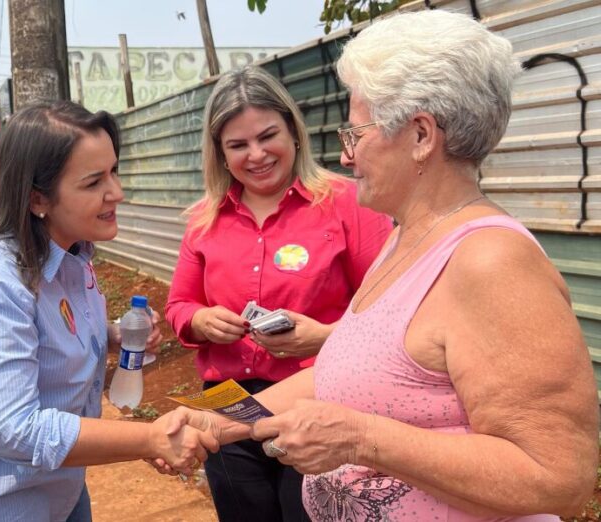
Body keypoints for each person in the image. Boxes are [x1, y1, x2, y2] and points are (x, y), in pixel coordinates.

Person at [166, 10, 599, 521]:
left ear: (420, 136)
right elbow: (341, 373)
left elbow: (557, 476)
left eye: (355, 134)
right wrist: (219, 420)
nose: (346, 158)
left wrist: (361, 439)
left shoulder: (491, 262)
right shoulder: (405, 241)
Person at [0, 101, 218, 522]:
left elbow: (46, 332)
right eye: (93, 182)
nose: (117, 192)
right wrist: (147, 439)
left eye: (114, 171)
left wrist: (110, 336)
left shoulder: (75, 257)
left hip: (58, 491)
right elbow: (13, 428)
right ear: (38, 199)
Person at [165, 66, 392, 521]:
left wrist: (324, 336)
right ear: (219, 154)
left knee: (306, 512)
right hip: (226, 400)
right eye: (237, 145)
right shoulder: (203, 221)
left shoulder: (347, 203)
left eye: (268, 135)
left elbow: (389, 313)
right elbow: (178, 307)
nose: (257, 154)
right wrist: (201, 321)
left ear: (294, 130)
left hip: (319, 399)